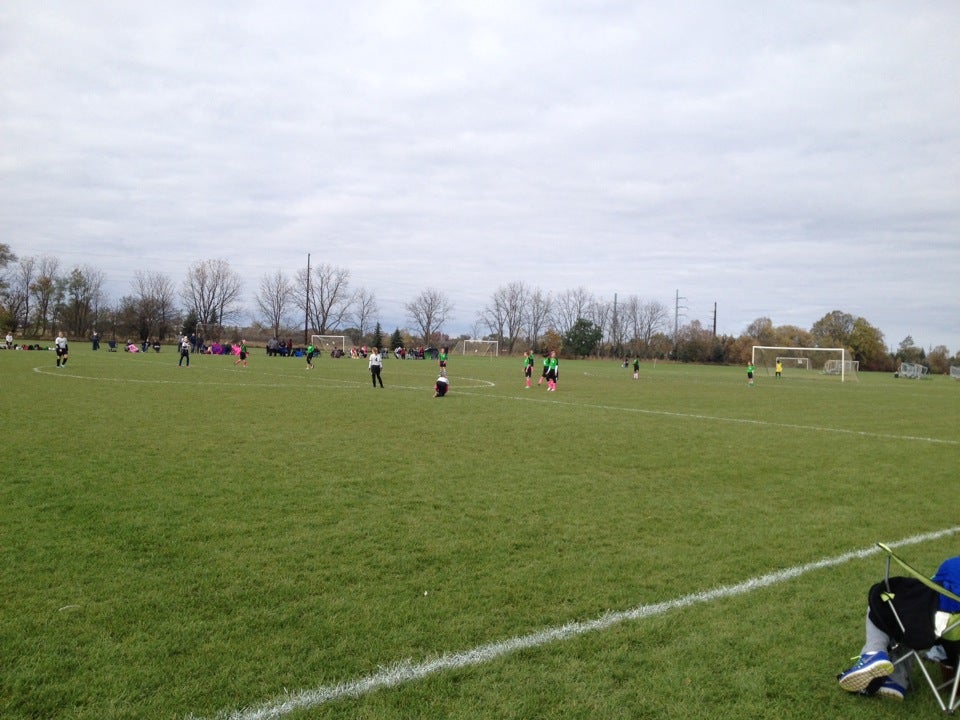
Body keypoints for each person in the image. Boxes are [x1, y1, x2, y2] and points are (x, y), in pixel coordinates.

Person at [837, 555, 960, 701]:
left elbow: (931, 589)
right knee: (910, 616)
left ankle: (873, 652)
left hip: (939, 628)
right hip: (952, 637)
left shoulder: (953, 564)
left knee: (882, 598)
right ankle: (894, 681)